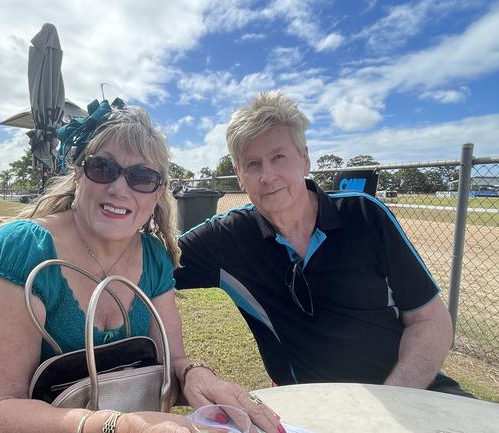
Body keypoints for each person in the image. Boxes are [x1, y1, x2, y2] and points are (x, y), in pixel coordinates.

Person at [0, 100, 284, 433]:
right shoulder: (25, 249)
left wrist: (197, 375)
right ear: (78, 173)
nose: (119, 189)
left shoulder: (154, 258)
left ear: (157, 194)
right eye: (103, 168)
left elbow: (170, 366)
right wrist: (119, 426)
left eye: (142, 178)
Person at [174, 91, 472, 397]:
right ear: (239, 175)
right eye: (253, 164)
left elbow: (430, 319)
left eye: (279, 157)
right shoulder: (226, 238)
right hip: (316, 412)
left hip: (410, 393)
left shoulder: (365, 214)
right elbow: (150, 265)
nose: (268, 175)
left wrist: (396, 399)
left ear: (304, 159)